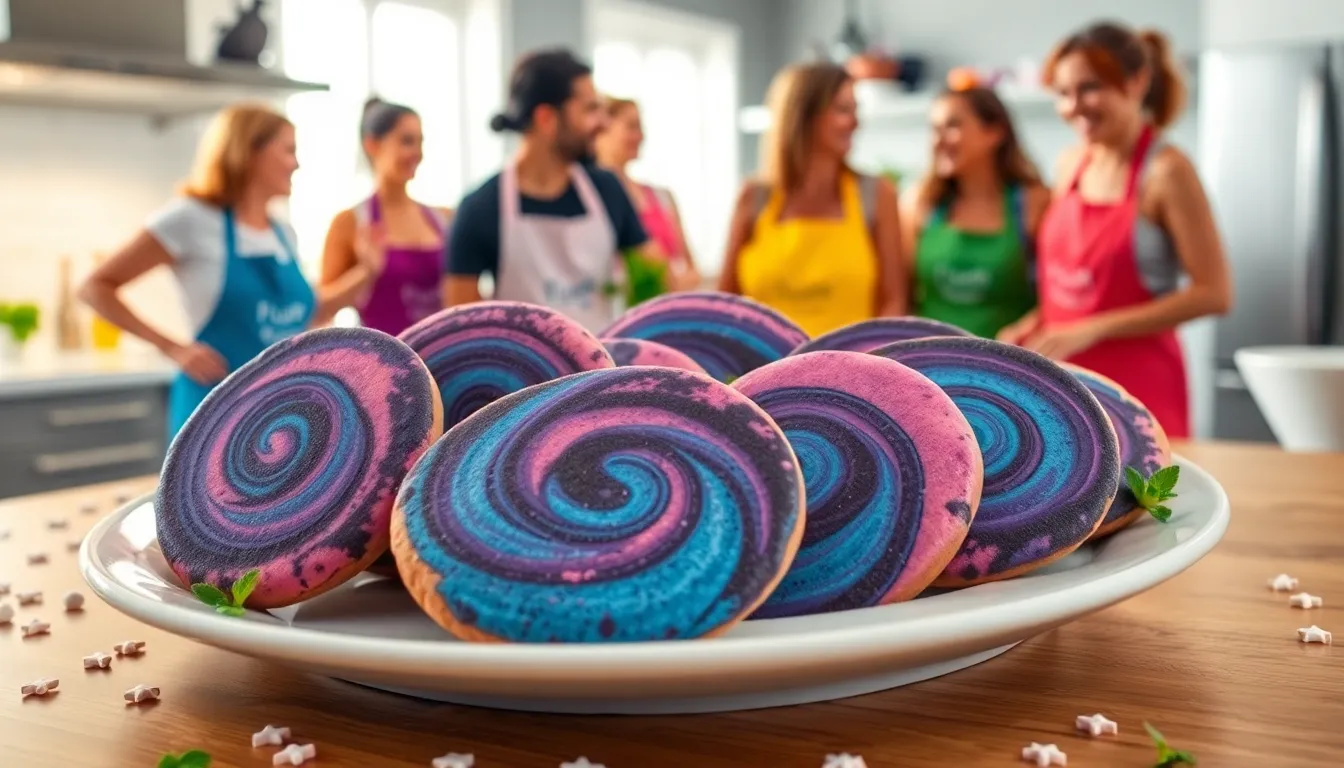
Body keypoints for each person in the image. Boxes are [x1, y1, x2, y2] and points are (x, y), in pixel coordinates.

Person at [79, 104, 379, 439]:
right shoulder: (190, 219)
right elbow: (95, 287)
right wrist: (174, 348)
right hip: (211, 412)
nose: (296, 164)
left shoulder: (282, 233)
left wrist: (367, 271)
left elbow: (306, 314)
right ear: (250, 151)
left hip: (279, 414)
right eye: (288, 150)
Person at [999, 22, 1231, 439]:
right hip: (1066, 390)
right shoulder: (1070, 164)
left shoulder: (1167, 172)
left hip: (1140, 397)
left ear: (1137, 81)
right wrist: (1033, 323)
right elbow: (1070, 286)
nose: (1073, 107)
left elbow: (1214, 293)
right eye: (1063, 93)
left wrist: (1094, 328)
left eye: (1089, 88)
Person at [444, 48, 657, 332]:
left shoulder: (608, 190)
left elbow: (655, 277)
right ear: (546, 118)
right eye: (590, 109)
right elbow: (460, 326)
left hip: (608, 370)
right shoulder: (480, 208)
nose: (603, 123)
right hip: (525, 375)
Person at [719, 62, 905, 337]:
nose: (856, 122)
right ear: (803, 115)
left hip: (853, 373)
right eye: (843, 110)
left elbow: (894, 302)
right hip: (761, 374)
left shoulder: (876, 194)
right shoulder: (754, 196)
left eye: (856, 110)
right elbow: (725, 303)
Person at [900, 78, 1050, 339]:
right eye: (934, 129)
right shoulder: (919, 204)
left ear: (995, 133)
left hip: (1008, 369)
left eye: (953, 126)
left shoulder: (1035, 203)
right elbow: (901, 300)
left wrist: (1023, 330)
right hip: (930, 368)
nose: (938, 141)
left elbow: (1056, 301)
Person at [320, 98, 451, 336]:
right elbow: (321, 311)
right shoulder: (349, 223)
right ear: (372, 145)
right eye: (407, 141)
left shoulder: (444, 218)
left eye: (421, 142)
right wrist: (366, 272)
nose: (417, 153)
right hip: (383, 367)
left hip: (443, 362)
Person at [594, 96, 701, 298]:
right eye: (631, 127)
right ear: (601, 131)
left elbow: (692, 269)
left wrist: (674, 284)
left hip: (662, 316)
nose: (640, 136)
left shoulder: (662, 197)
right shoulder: (591, 200)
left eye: (640, 128)